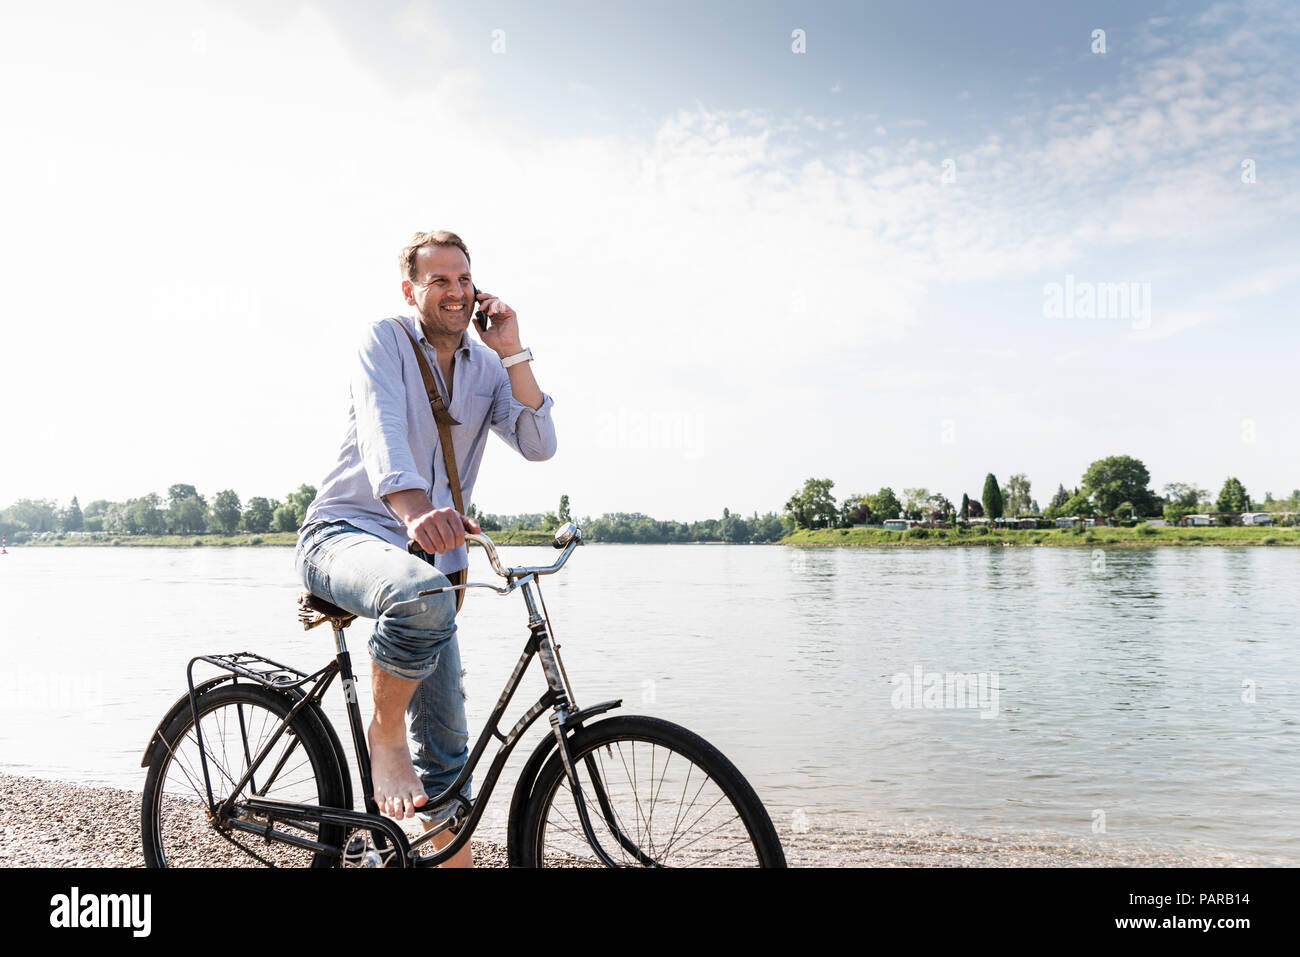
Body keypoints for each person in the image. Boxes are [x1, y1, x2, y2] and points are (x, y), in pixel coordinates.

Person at [295, 230, 556, 867]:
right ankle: (384, 740)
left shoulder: (486, 365)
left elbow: (538, 442)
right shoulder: (384, 340)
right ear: (411, 290)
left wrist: (514, 350)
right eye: (438, 280)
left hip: (426, 568)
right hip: (343, 535)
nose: (456, 291)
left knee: (447, 750)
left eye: (464, 279)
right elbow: (384, 433)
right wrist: (415, 513)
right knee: (422, 593)